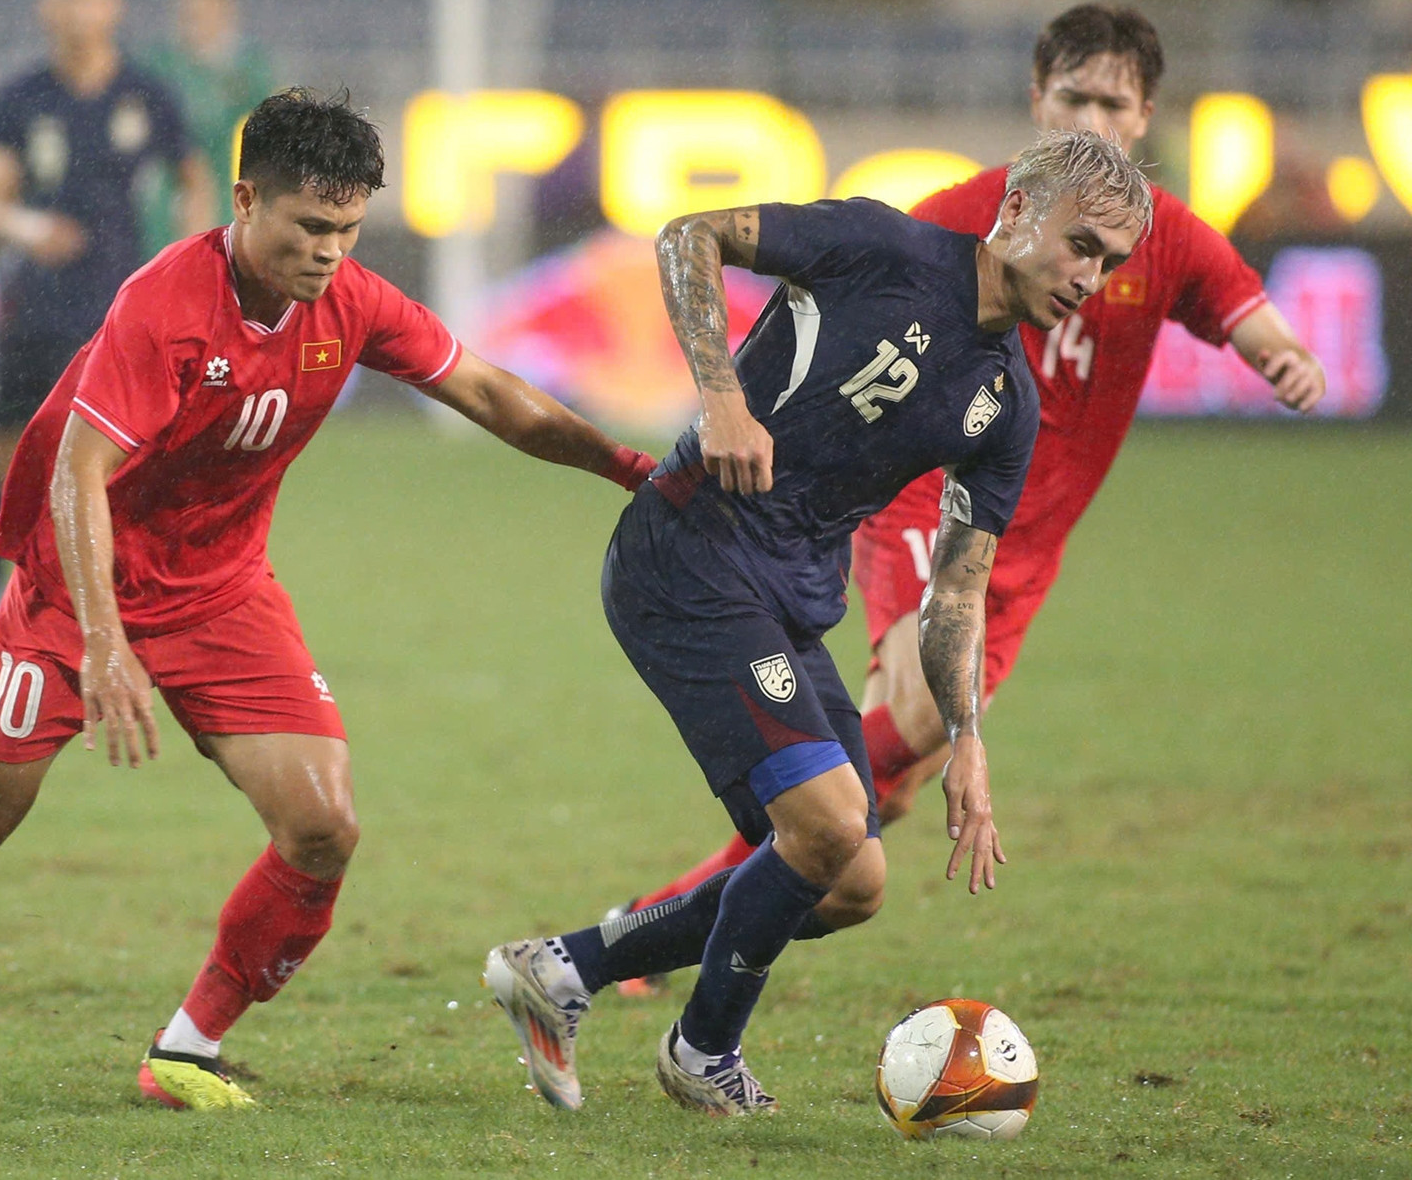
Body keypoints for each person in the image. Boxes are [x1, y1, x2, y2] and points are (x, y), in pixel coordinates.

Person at [0, 87, 660, 1113]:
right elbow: (78, 472)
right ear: (245, 199)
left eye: (347, 228)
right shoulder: (164, 304)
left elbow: (491, 394)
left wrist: (635, 471)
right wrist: (103, 642)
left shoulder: (354, 304)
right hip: (80, 580)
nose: (330, 251)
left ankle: (183, 1051)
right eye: (308, 226)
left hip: (220, 588)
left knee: (322, 825)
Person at [603, 4, 1328, 990]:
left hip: (1026, 545)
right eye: (1069, 96)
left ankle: (654, 931)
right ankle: (654, 935)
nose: (1088, 118)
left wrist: (1284, 358)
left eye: (1109, 101)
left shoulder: (1171, 241)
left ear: (1143, 112)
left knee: (881, 799)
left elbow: (1251, 320)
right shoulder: (967, 213)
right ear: (1036, 99)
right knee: (903, 718)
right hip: (921, 508)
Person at [484, 129, 1152, 1116]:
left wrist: (965, 737)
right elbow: (687, 234)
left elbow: (959, 591)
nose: (1088, 275)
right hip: (690, 549)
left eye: (1110, 262)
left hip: (788, 601)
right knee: (830, 820)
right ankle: (699, 1049)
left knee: (850, 879)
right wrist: (718, 394)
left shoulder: (1005, 402)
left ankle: (563, 968)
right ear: (1015, 212)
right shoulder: (883, 247)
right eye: (1080, 243)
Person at [0, 0, 214, 653]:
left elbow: (194, 180)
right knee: (1, 457)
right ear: (44, 9)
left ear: (114, 7)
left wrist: (190, 265)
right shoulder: (21, 96)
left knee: (115, 467)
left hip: (115, 313)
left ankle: (115, 610)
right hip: (33, 305)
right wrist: (28, 224)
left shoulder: (146, 94)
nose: (77, 9)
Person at [138, 0, 275, 255]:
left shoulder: (250, 70)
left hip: (230, 187)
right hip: (167, 190)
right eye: (191, 12)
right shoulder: (158, 65)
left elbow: (269, 132)